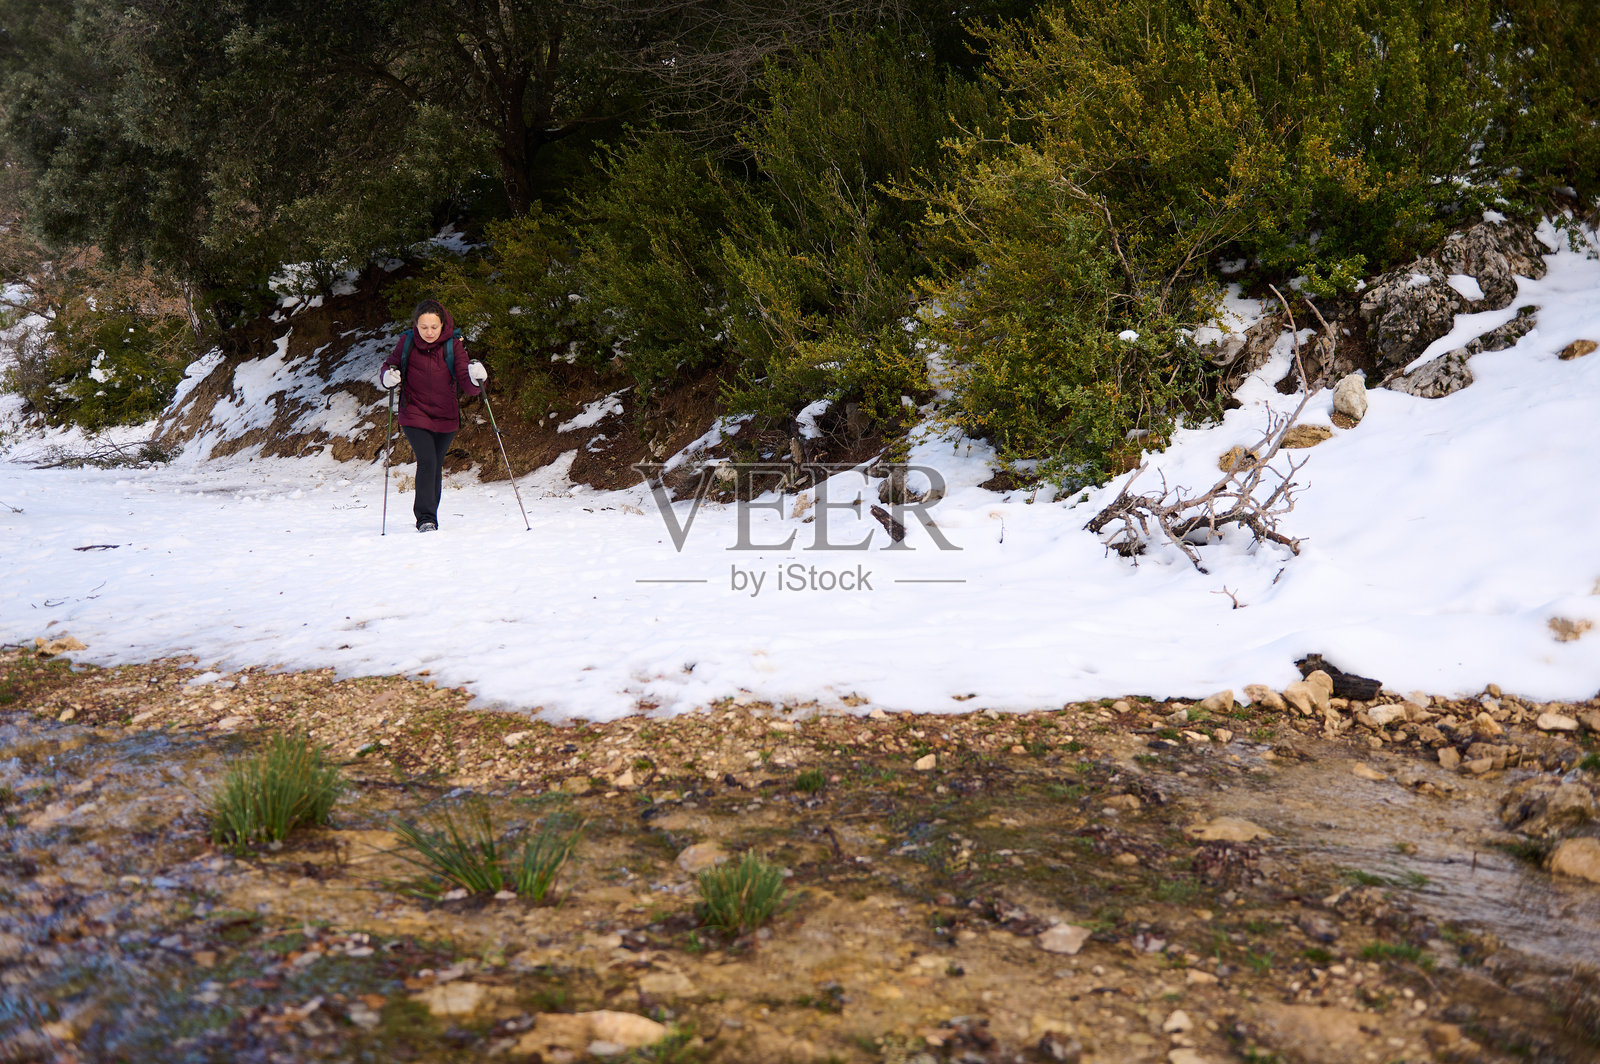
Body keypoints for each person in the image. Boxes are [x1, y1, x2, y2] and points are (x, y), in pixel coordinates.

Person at [379, 299, 488, 532]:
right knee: (427, 460)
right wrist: (387, 377)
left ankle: (430, 516)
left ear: (442, 325)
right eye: (424, 327)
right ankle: (425, 518)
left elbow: (469, 387)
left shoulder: (453, 347)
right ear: (416, 326)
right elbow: (389, 366)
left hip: (445, 417)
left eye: (434, 327)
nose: (429, 332)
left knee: (435, 464)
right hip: (414, 413)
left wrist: (477, 377)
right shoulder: (406, 342)